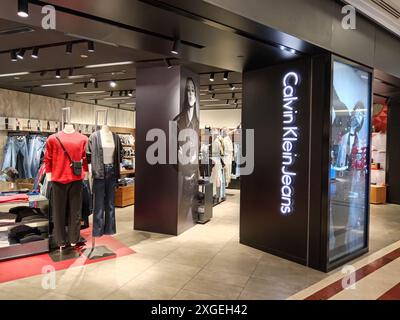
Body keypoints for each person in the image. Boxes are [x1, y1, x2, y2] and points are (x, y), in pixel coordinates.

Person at [176, 77, 199, 229]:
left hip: (194, 172)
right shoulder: (178, 121)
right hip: (183, 174)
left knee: (192, 205)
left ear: (196, 95)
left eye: (192, 90)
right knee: (183, 208)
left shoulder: (197, 122)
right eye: (187, 91)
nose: (190, 94)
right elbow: (176, 152)